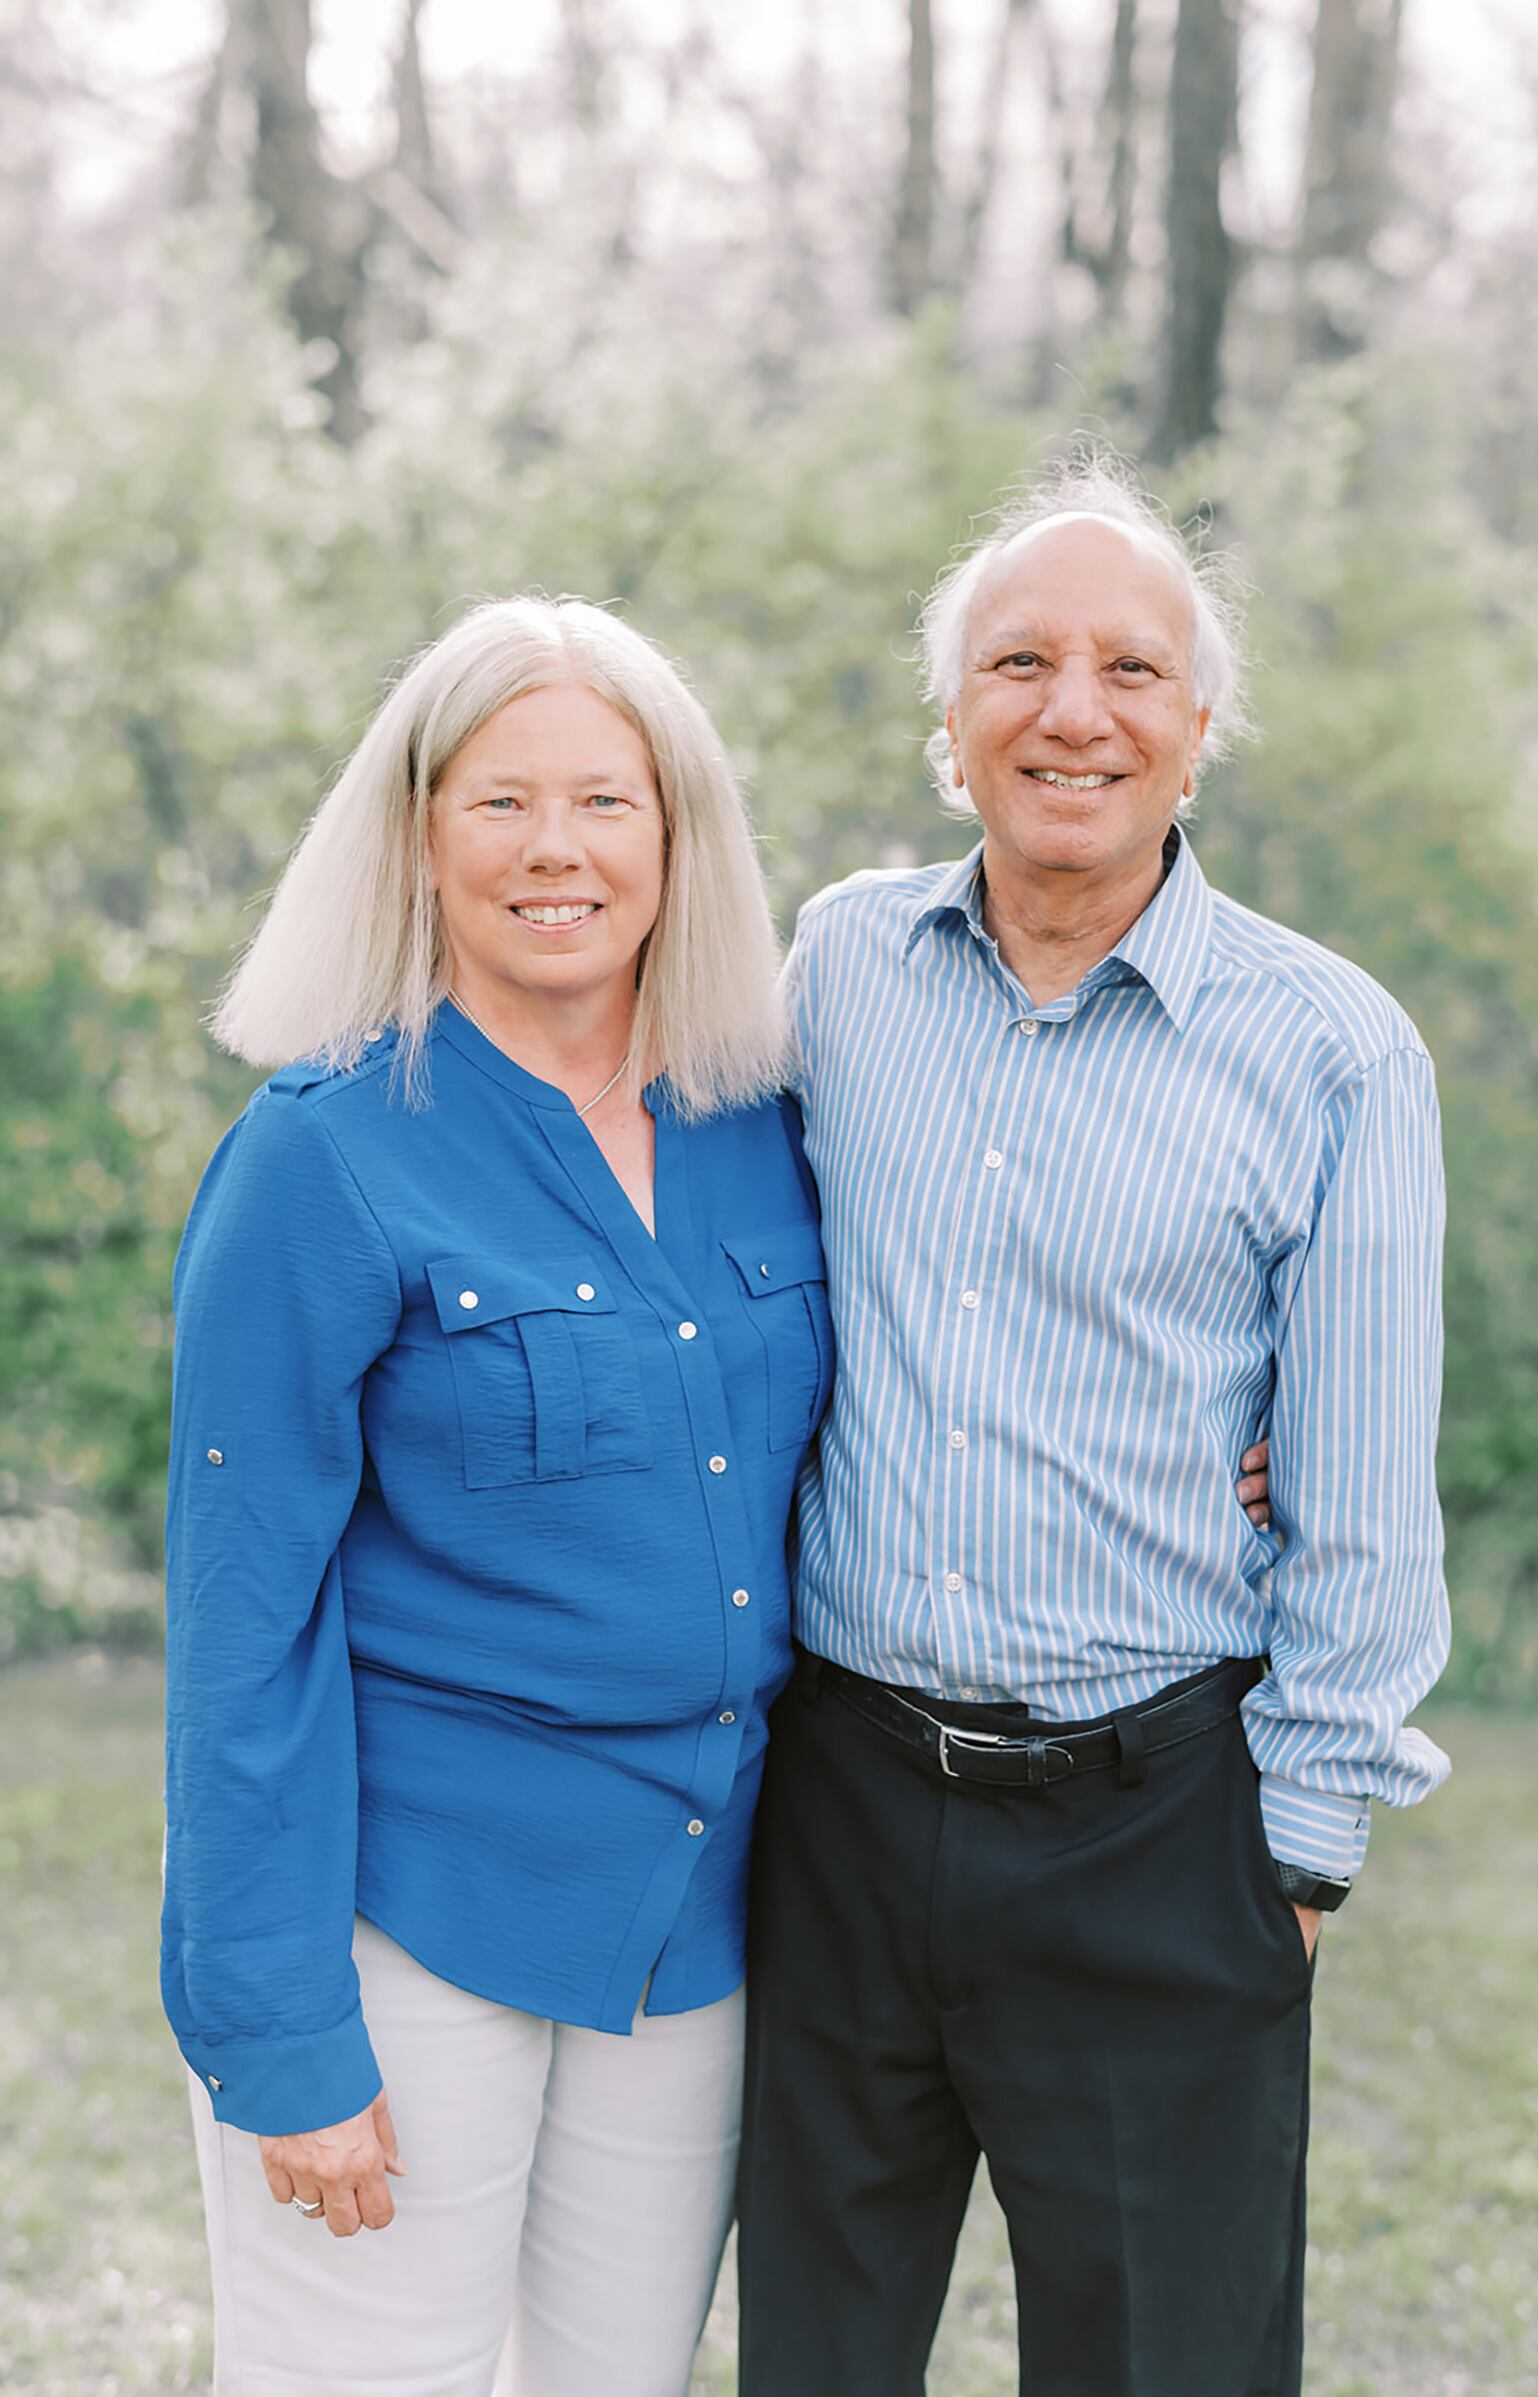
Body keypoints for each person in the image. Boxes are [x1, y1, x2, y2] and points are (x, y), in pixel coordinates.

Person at [736, 455, 1452, 2397]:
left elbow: (1364, 1503)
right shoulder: (831, 973)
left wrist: (1292, 1867)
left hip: (1158, 1823)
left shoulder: (1327, 1052)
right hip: (842, 1803)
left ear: (1198, 728)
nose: (1073, 707)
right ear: (948, 725)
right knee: (812, 2357)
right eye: (1017, 660)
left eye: (1130, 667)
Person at [160, 596, 835, 2397]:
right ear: (417, 837)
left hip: (685, 1932)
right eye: (500, 801)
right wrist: (281, 2030)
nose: (559, 849)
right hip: (410, 1922)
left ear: (679, 838)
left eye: (609, 802)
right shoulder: (322, 1152)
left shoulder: (761, 1120)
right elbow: (245, 1620)